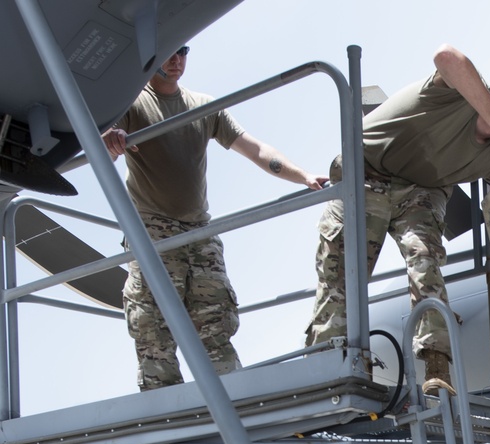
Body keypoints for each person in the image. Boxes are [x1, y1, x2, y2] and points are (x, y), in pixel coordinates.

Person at [304, 45, 490, 396]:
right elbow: (446, 56)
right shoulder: (462, 93)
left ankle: (436, 367)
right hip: (367, 171)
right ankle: (323, 369)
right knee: (344, 275)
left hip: (422, 189)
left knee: (425, 260)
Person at [103, 45, 327, 390]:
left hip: (199, 230)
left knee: (215, 319)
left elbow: (256, 150)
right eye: (168, 53)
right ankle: (166, 414)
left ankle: (233, 397)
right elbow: (102, 143)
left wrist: (304, 176)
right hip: (153, 229)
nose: (176, 61)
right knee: (154, 327)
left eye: (182, 52)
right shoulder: (132, 103)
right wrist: (112, 140)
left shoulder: (204, 107)